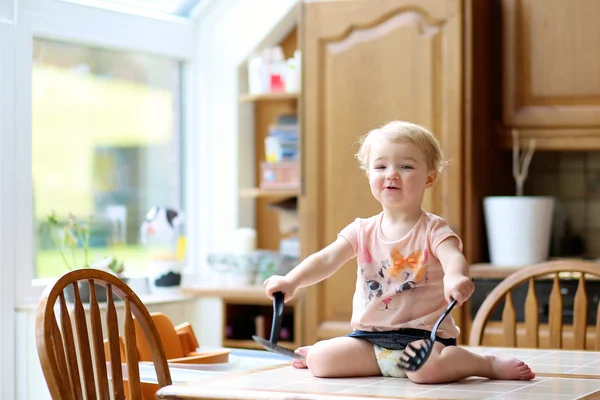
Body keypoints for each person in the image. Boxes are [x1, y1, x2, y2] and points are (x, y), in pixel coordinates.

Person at [262, 120, 535, 383]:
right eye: (380, 166)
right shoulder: (362, 230)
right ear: (369, 175)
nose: (391, 174)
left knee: (426, 372)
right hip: (369, 339)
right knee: (321, 362)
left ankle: (485, 364)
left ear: (429, 178)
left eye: (405, 166)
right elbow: (327, 259)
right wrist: (291, 281)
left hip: (424, 339)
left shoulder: (433, 229)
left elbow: (453, 257)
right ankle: (324, 355)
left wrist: (455, 277)